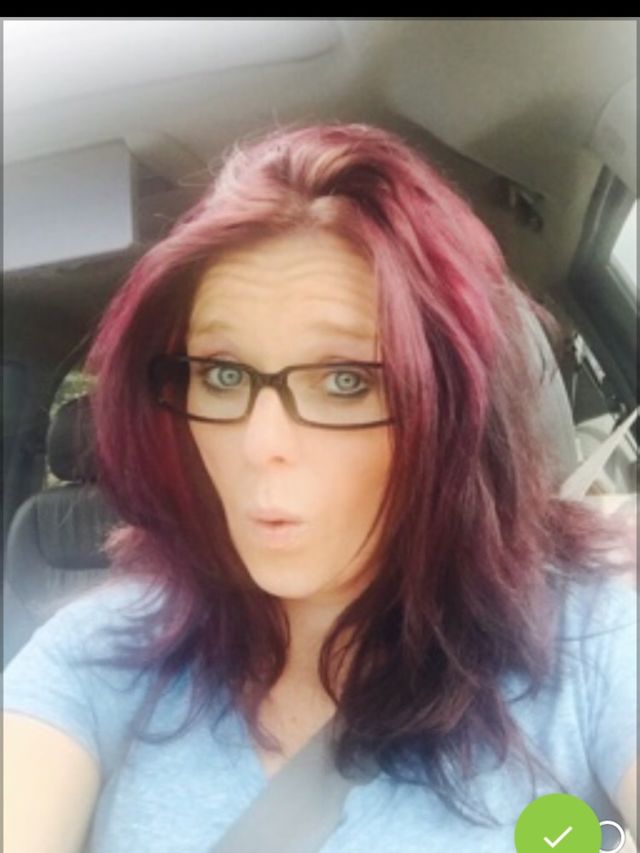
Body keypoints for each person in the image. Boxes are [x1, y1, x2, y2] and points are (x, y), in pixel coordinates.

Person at [3, 121, 637, 853]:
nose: (259, 444)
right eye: (224, 373)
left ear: (454, 411)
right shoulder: (98, 652)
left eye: (344, 381)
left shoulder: (593, 635)